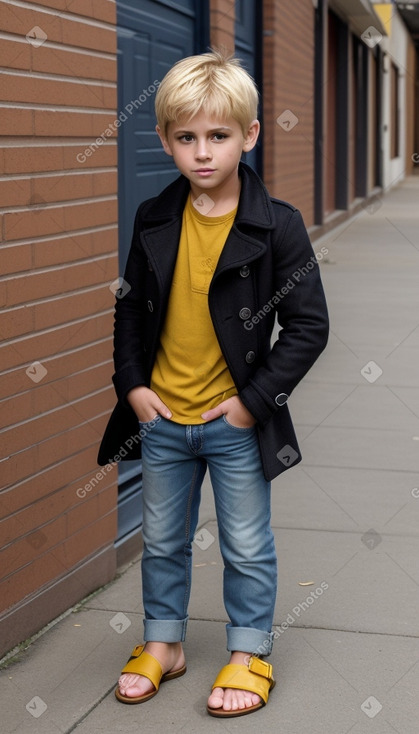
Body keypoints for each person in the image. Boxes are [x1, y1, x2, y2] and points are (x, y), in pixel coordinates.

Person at [98, 49, 329, 717]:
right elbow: (128, 305)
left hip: (234, 422)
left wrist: (250, 406)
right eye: (186, 137)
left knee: (246, 544)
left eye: (218, 136)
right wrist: (132, 385)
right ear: (166, 139)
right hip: (162, 418)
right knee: (164, 539)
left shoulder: (276, 224)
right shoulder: (153, 218)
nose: (203, 153)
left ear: (249, 135)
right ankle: (164, 643)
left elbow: (307, 327)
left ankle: (248, 650)